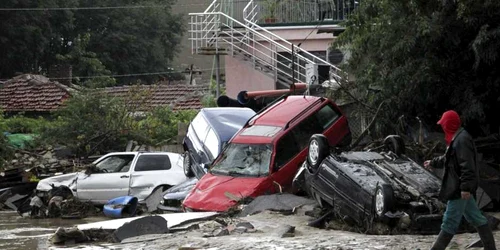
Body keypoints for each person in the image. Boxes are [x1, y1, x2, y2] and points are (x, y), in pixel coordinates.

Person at [424, 110, 496, 250]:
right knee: (477, 218)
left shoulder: (462, 140)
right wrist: (433, 162)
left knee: (449, 221)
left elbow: (467, 166)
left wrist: (465, 188)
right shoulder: (457, 138)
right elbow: (448, 158)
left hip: (458, 189)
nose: (443, 127)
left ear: (449, 124)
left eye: (444, 124)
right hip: (460, 187)